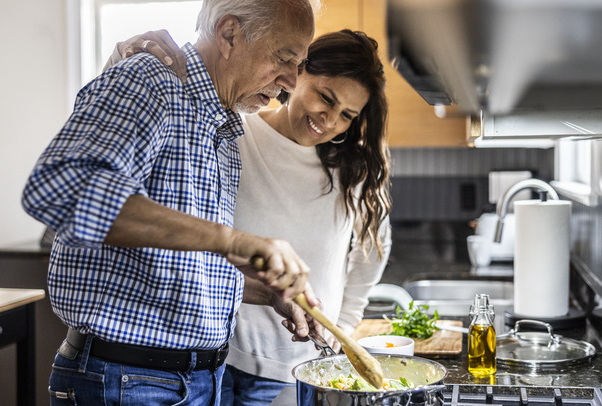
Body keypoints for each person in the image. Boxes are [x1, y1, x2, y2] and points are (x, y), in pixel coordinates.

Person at [20, 0, 324, 404]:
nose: (291, 82)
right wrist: (234, 242)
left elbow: (171, 263)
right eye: (283, 58)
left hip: (197, 380)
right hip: (127, 380)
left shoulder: (223, 128)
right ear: (229, 33)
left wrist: (265, 292)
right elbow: (62, 189)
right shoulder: (151, 80)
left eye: (299, 65)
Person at [110, 29, 392, 404]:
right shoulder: (235, 131)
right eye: (326, 98)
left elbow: (373, 252)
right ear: (298, 72)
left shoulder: (354, 168)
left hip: (300, 367)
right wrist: (117, 64)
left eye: (347, 115)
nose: (330, 120)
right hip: (214, 358)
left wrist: (343, 327)